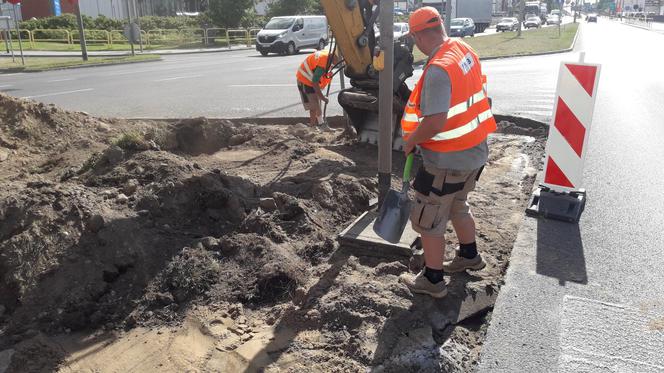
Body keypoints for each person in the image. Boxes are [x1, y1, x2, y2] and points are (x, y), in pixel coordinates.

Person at [398, 7, 497, 298]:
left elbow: (435, 122)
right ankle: (469, 255)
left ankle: (432, 279)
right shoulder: (463, 49)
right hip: (474, 154)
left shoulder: (438, 69)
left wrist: (411, 140)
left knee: (430, 221)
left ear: (417, 35)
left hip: (446, 160)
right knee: (458, 205)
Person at [296, 50, 339, 130]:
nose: (335, 65)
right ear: (332, 57)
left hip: (310, 78)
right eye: (335, 62)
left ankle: (316, 125)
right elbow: (315, 82)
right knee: (314, 104)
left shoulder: (327, 57)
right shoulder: (322, 63)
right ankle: (319, 125)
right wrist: (323, 97)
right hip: (304, 79)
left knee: (316, 103)